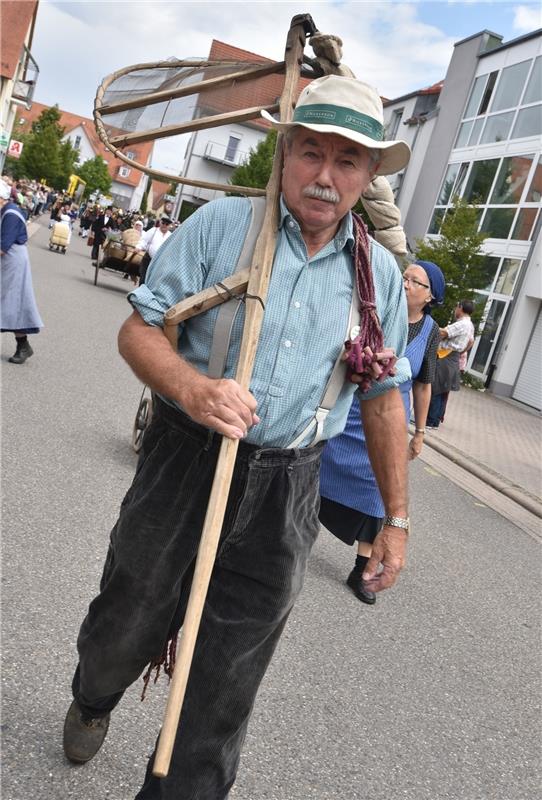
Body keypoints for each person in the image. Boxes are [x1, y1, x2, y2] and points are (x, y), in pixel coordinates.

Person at [63, 75, 413, 799]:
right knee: (129, 614)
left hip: (288, 485)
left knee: (229, 673)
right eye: (310, 152)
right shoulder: (221, 227)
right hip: (186, 457)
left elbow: (383, 401)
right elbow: (140, 329)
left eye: (347, 161)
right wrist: (192, 387)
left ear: (369, 176)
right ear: (284, 153)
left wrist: (396, 521)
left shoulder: (377, 277)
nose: (325, 175)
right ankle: (95, 695)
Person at [319, 259, 444, 604]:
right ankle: (290, 536)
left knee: (378, 489)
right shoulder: (377, 305)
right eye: (405, 277)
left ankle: (362, 570)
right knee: (315, 468)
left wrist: (419, 432)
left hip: (387, 418)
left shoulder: (431, 332)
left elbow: (424, 385)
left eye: (414, 282)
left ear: (430, 296)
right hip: (349, 408)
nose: (405, 284)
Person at [0, 178, 43, 363]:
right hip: (10, 260)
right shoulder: (6, 211)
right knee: (11, 303)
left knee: (12, 303)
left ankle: (23, 345)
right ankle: (23, 345)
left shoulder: (10, 214)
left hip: (13, 261)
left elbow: (3, 246)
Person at [427, 299, 475, 429]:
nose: (455, 310)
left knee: (435, 388)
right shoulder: (470, 325)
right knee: (443, 390)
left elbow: (443, 333)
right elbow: (471, 342)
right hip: (454, 357)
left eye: (456, 307)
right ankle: (435, 421)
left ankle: (430, 421)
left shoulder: (461, 324)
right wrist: (461, 351)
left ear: (460, 307)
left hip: (445, 355)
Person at [137, 215, 172, 284]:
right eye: (163, 223)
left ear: (169, 226)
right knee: (143, 278)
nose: (164, 225)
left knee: (154, 281)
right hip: (148, 259)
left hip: (160, 262)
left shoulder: (170, 236)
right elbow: (144, 241)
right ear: (160, 223)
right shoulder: (153, 231)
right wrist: (138, 247)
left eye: (167, 224)